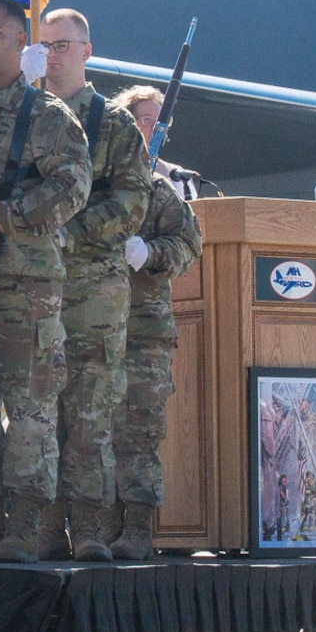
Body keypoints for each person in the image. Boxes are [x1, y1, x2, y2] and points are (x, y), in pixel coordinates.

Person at [0, 0, 89, 563]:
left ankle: (26, 521)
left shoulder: (47, 114)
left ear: (20, 40)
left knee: (29, 405)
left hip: (26, 279)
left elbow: (72, 187)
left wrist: (2, 215)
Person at [34, 9, 151, 560]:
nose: (52, 54)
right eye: (45, 45)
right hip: (30, 287)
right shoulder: (25, 115)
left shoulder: (112, 123)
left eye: (62, 44)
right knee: (36, 410)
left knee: (88, 411)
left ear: (86, 50)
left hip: (92, 291)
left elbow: (133, 199)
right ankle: (41, 525)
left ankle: (88, 527)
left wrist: (72, 231)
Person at [106, 86, 203, 561]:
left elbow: (188, 244)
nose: (150, 129)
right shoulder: (92, 180)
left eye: (156, 121)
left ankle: (137, 527)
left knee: (139, 431)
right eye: (142, 120)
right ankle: (93, 525)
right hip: (90, 326)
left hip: (142, 330)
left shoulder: (159, 188)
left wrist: (151, 253)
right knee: (86, 430)